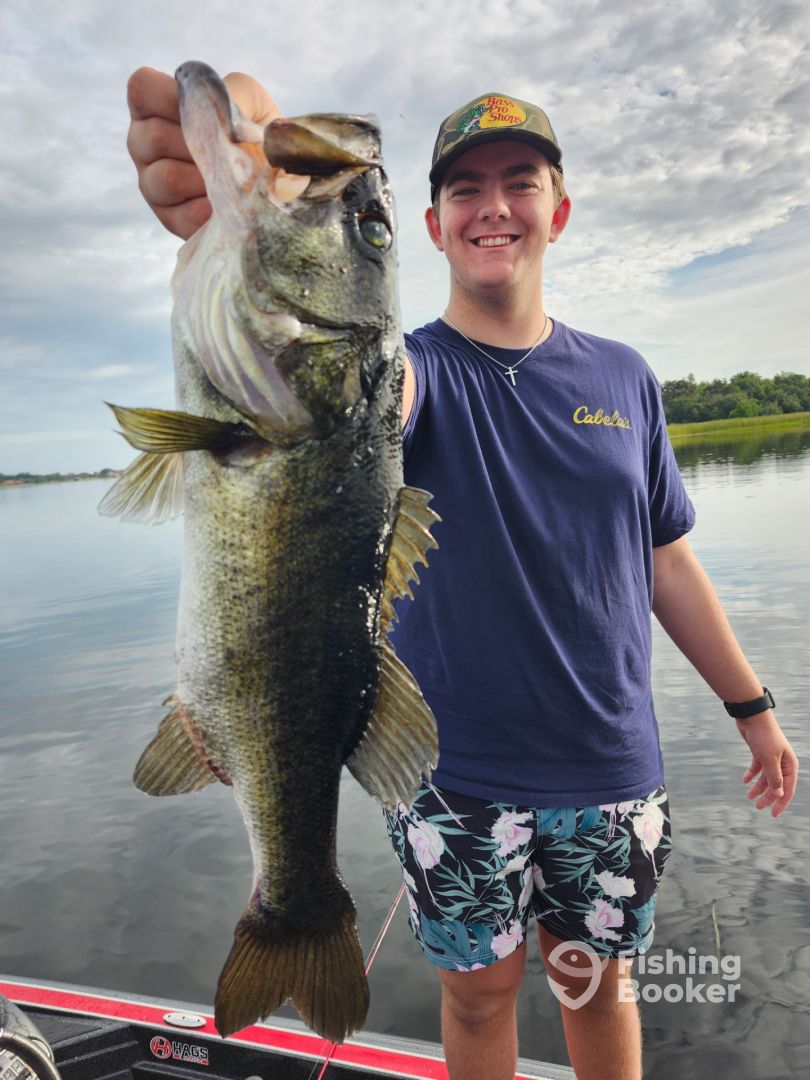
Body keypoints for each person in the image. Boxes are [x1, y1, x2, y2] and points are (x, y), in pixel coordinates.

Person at [126, 70, 799, 1080]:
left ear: (557, 211)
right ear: (435, 227)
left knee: (599, 987)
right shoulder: (411, 371)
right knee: (477, 998)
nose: (494, 206)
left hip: (613, 768)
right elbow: (350, 401)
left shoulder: (625, 376)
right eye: (464, 188)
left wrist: (752, 708)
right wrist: (244, 233)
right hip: (456, 779)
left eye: (520, 180)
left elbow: (665, 555)